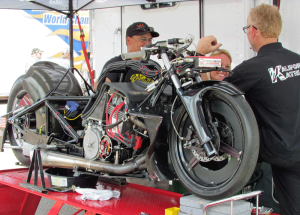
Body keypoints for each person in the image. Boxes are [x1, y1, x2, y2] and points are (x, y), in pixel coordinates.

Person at [197, 4, 300, 215]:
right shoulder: (297, 60)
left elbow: (208, 97)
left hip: (281, 151)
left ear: (253, 30)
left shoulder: (253, 68)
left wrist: (198, 53)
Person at [93, 21, 160, 91]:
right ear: (129, 40)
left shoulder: (154, 66)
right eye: (143, 39)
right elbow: (99, 89)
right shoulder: (116, 64)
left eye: (150, 40)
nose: (148, 43)